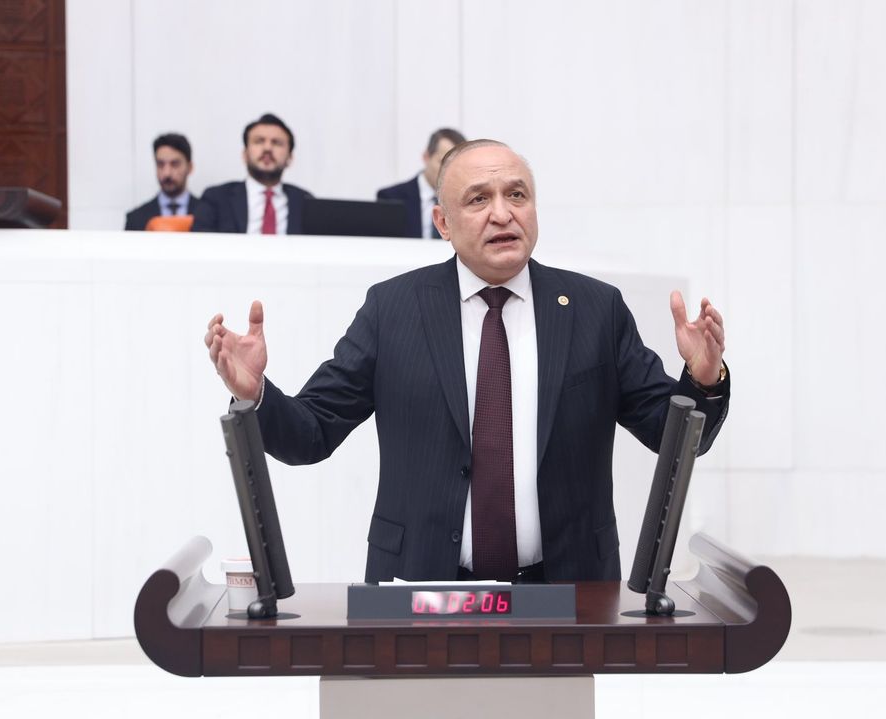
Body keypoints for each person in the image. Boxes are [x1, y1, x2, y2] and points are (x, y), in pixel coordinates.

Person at [204, 140, 730, 583]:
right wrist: (256, 395)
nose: (502, 213)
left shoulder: (595, 310)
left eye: (517, 195)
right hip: (423, 586)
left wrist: (703, 380)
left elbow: (673, 435)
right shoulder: (393, 310)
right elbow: (311, 433)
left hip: (568, 590)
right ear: (443, 222)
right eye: (479, 199)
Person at [192, 113, 313, 234]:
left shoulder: (305, 202)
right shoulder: (217, 198)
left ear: (290, 158)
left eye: (276, 143)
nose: (267, 148)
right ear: (245, 155)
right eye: (259, 141)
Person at [376, 127, 465, 239]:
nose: (449, 171)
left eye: (456, 165)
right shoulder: (391, 197)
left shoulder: (465, 199)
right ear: (426, 157)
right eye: (443, 162)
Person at [125, 133, 202, 230]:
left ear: (190, 167)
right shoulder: (136, 219)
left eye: (175, 164)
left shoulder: (208, 214)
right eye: (160, 164)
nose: (167, 173)